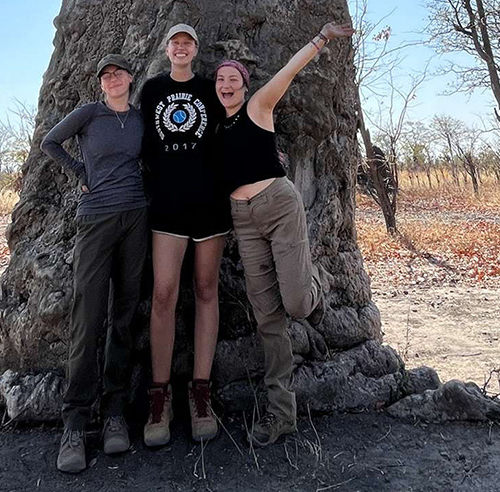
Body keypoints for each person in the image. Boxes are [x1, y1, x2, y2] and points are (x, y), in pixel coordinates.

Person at [213, 21, 355, 447]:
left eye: (233, 79)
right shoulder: (213, 131)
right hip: (243, 220)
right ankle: (281, 414)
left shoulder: (259, 107)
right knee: (267, 319)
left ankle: (316, 288)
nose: (226, 84)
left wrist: (322, 37)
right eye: (220, 79)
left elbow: (289, 71)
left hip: (277, 204)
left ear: (244, 84)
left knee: (294, 302)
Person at [40, 54, 148, 473]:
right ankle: (75, 421)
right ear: (101, 84)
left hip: (136, 217)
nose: (113, 78)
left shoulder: (139, 119)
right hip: (96, 218)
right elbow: (51, 142)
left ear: (129, 78)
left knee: (124, 313)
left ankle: (116, 412)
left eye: (118, 72)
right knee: (88, 316)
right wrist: (79, 170)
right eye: (106, 75)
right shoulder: (89, 114)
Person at [139, 23, 230, 447]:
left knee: (207, 289)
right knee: (163, 293)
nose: (180, 47)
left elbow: (234, 128)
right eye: (174, 41)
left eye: (188, 42)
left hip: (209, 204)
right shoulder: (153, 90)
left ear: (196, 50)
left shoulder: (212, 89)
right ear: (166, 48)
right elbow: (141, 145)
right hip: (168, 207)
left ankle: (201, 392)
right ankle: (160, 396)